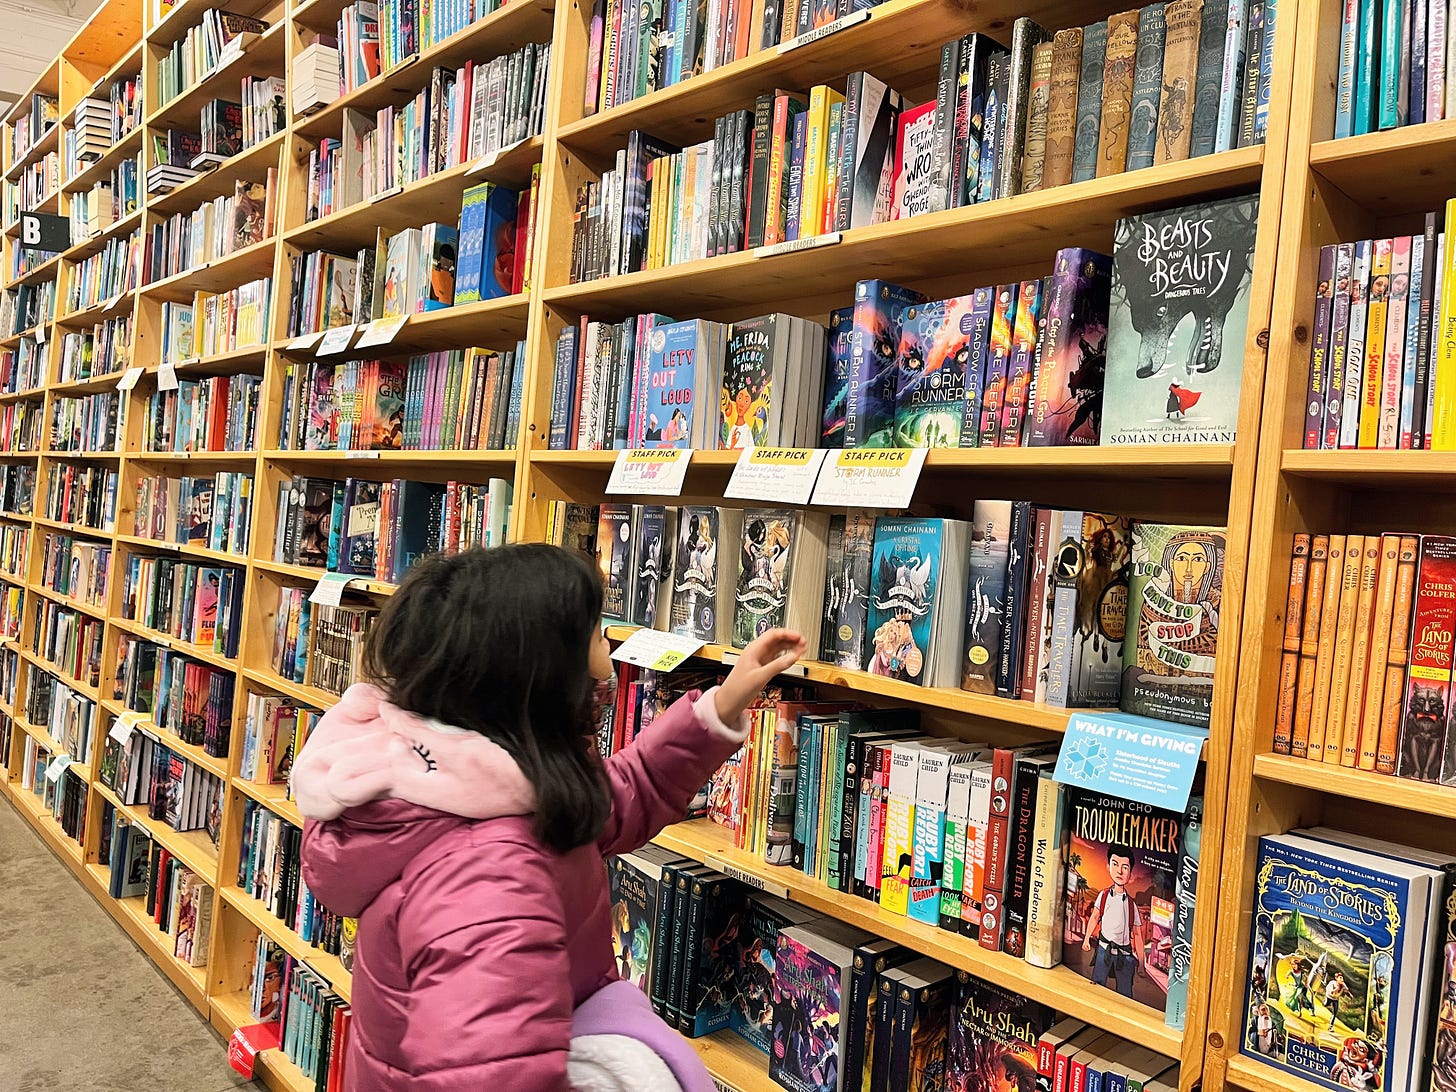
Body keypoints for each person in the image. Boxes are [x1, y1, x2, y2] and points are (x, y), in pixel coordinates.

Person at [292, 544, 805, 1090]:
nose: (608, 640)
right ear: (542, 672)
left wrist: (724, 703)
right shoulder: (488, 876)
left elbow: (617, 798)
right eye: (594, 629)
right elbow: (487, 1078)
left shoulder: (483, 786)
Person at [1081, 844, 1145, 998]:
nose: (1120, 871)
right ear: (1108, 866)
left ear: (1130, 873)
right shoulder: (1103, 896)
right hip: (1104, 949)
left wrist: (1142, 964)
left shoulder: (1131, 904)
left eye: (1125, 867)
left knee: (1125, 995)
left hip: (1125, 954)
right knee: (1096, 988)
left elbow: (1137, 935)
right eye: (1115, 864)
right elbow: (1095, 916)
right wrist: (1086, 938)